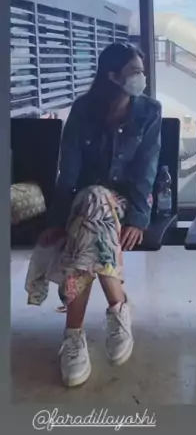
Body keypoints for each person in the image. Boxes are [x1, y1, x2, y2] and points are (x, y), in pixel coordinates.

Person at [25, 42, 162, 388]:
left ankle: (73, 334)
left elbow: (146, 169)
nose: (141, 77)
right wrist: (58, 220)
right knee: (92, 201)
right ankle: (118, 307)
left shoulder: (149, 111)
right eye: (134, 71)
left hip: (124, 201)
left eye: (141, 70)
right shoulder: (84, 110)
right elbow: (68, 171)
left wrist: (138, 218)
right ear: (112, 76)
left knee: (94, 208)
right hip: (84, 204)